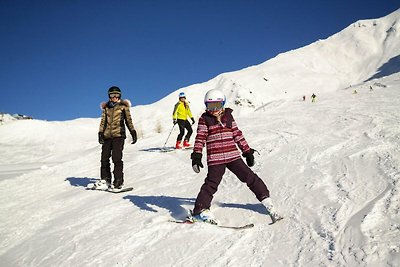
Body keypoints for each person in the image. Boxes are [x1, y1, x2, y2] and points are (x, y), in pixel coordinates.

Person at [189, 89, 283, 224]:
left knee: (250, 177)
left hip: (233, 156)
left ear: (223, 104)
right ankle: (201, 209)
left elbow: (237, 134)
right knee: (211, 184)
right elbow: (200, 138)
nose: (214, 109)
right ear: (206, 106)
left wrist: (247, 151)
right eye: (210, 106)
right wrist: (197, 155)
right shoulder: (205, 119)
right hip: (216, 159)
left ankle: (266, 199)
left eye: (217, 105)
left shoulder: (228, 117)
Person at [96, 86, 137, 190]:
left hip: (119, 135)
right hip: (107, 137)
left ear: (119, 96)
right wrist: (100, 133)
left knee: (116, 158)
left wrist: (133, 132)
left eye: (116, 95)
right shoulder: (106, 108)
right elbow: (103, 122)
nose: (114, 97)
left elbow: (128, 120)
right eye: (112, 95)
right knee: (104, 159)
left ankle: (118, 181)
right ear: (109, 96)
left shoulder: (123, 107)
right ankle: (105, 180)